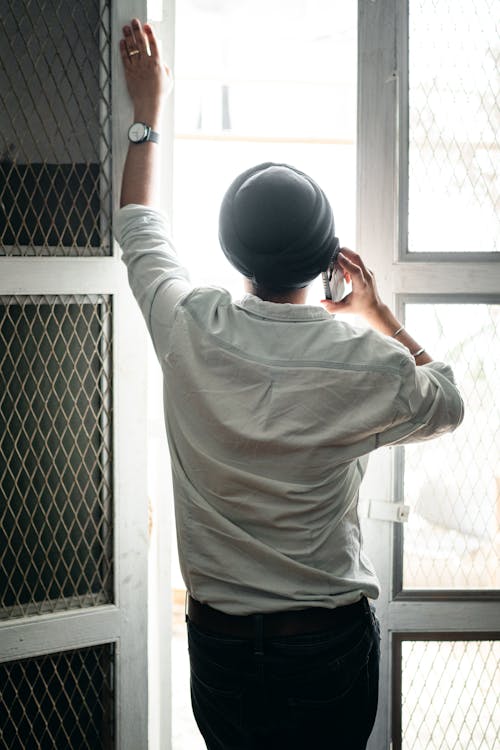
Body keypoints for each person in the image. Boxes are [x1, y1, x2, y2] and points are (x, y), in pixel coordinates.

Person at [115, 19, 464, 750]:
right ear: (328, 258)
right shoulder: (363, 361)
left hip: (221, 647)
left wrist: (149, 110)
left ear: (233, 252)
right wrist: (378, 316)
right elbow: (448, 399)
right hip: (328, 646)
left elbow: (139, 226)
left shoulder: (188, 326)